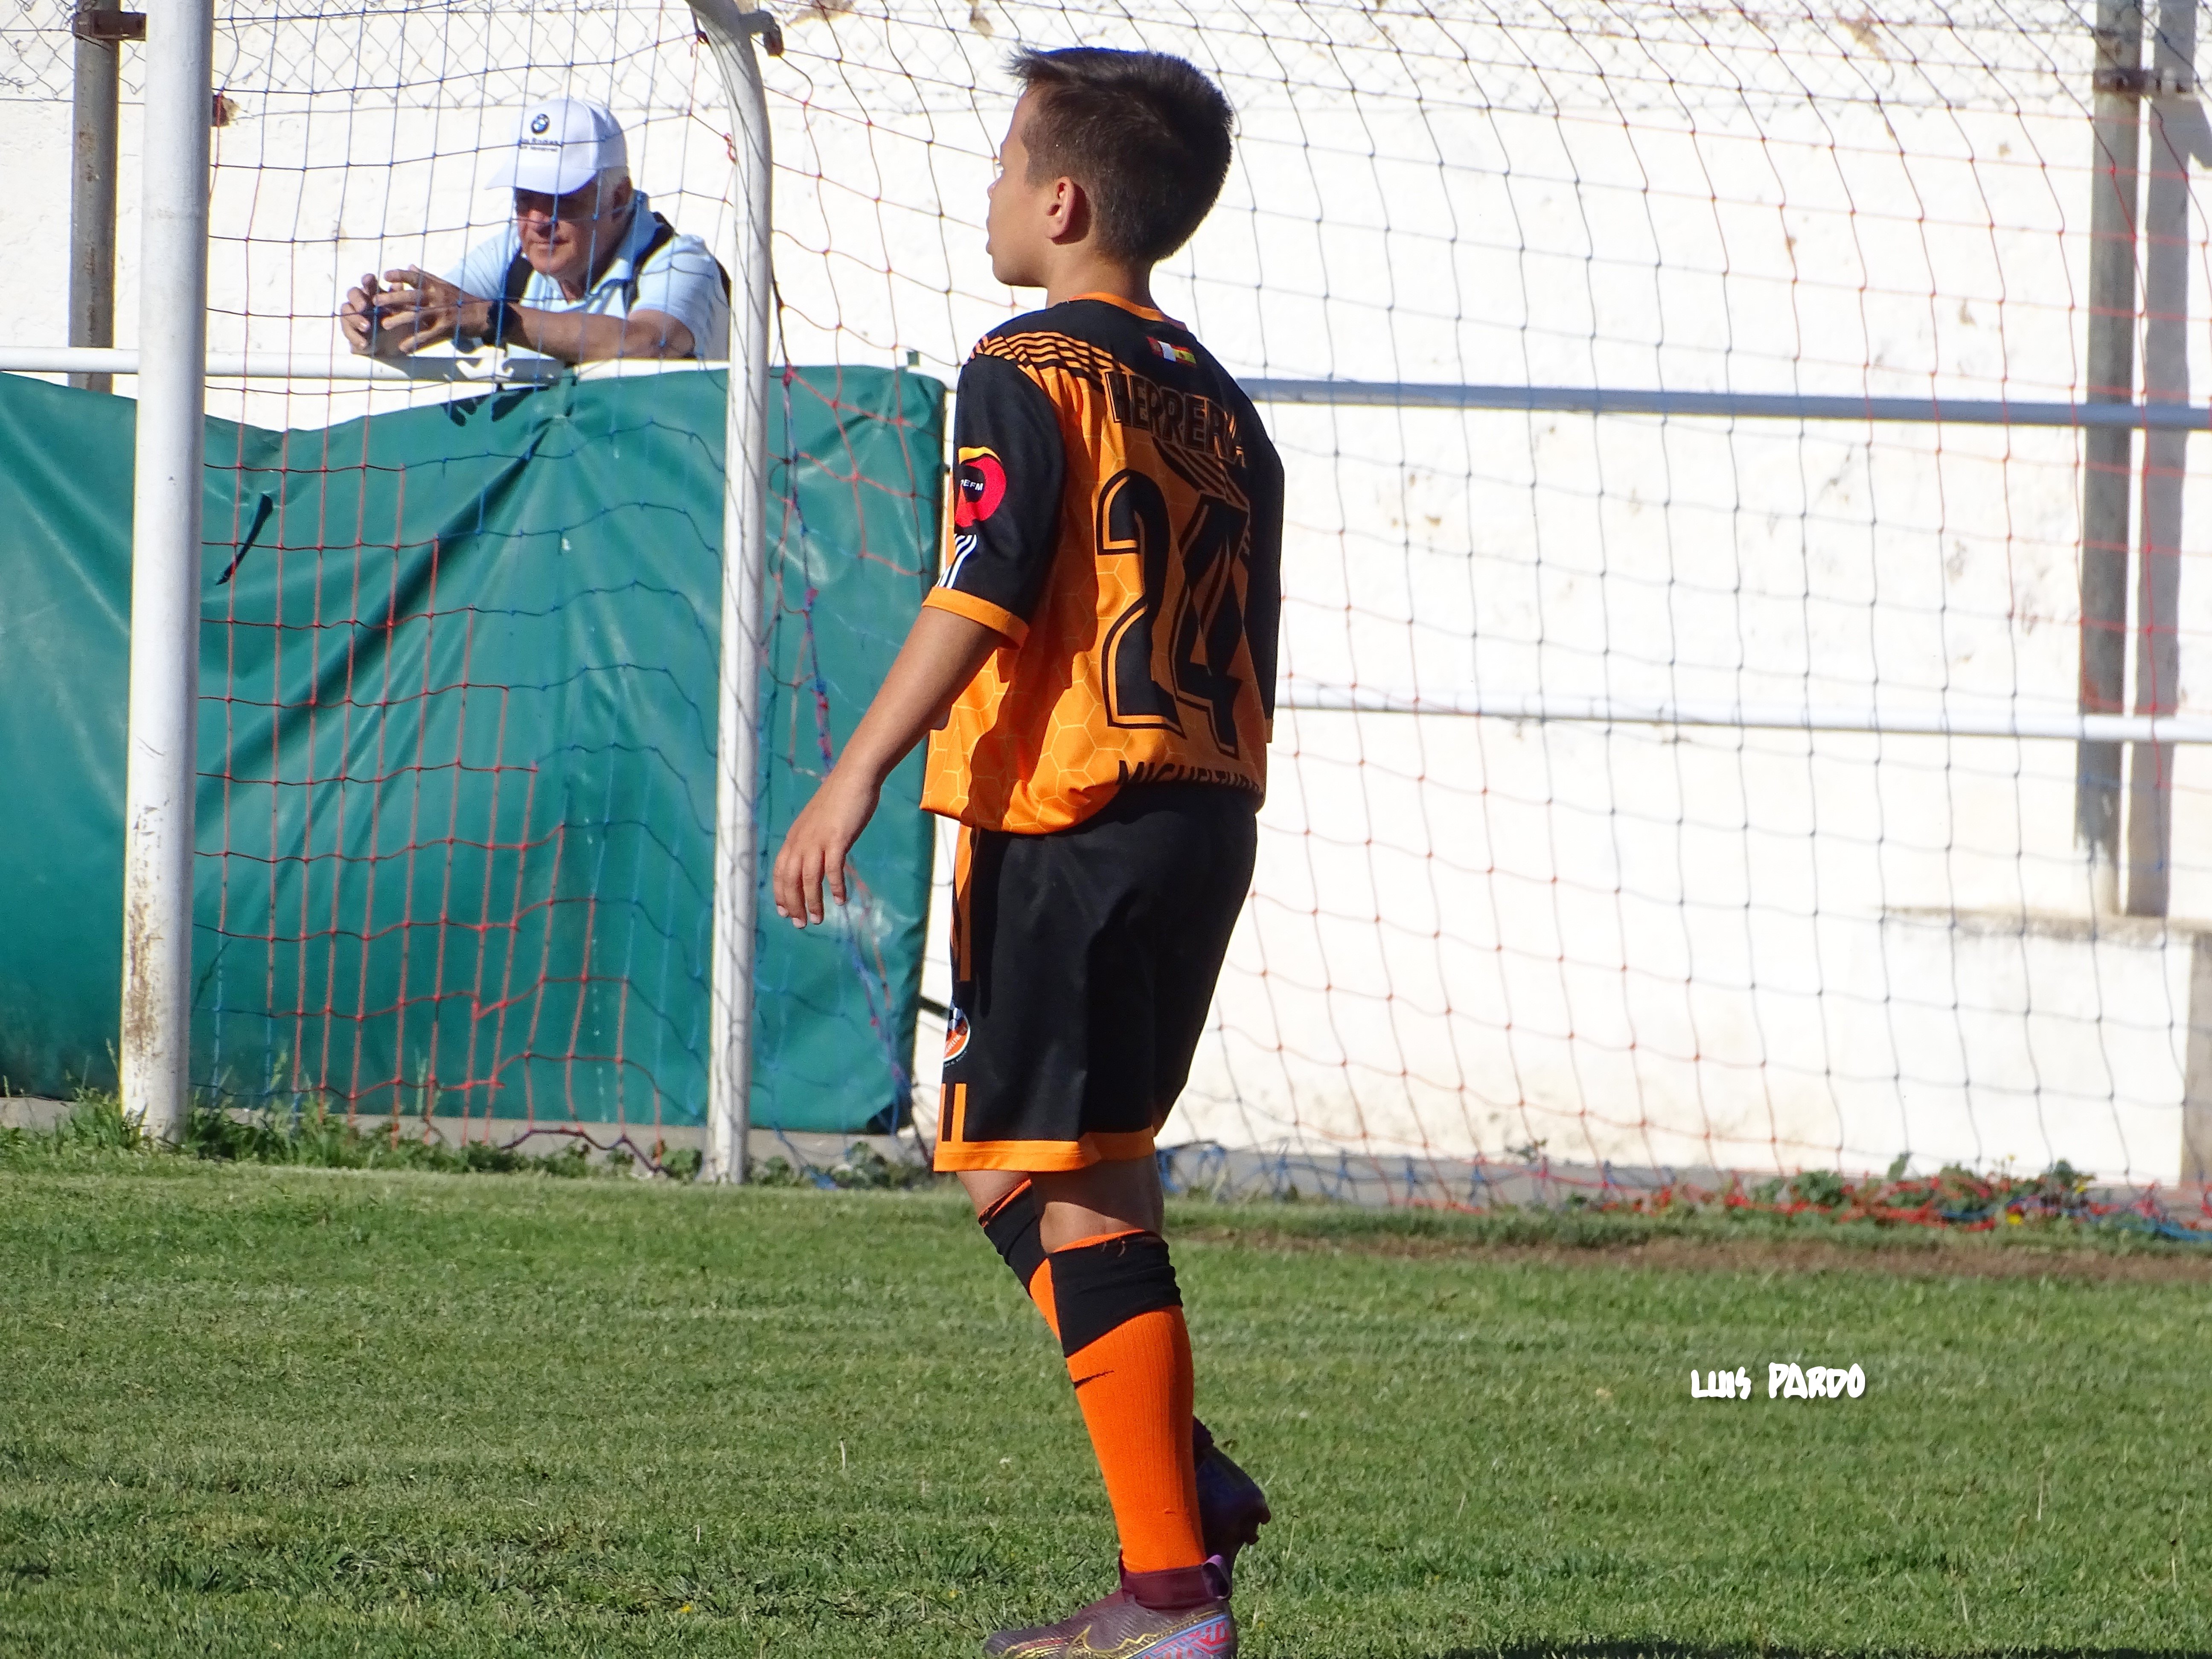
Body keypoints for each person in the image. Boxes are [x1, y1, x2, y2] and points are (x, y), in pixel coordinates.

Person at [772, 46, 1282, 1659]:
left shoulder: (1029, 361)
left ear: (1062, 204)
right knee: (1004, 1154)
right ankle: (1180, 1472)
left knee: (1087, 1190)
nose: (989, 192)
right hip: (1201, 810)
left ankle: (1169, 1599)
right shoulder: (1226, 407)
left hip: (1074, 812)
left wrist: (855, 769)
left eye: (1003, 166)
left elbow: (987, 578)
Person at [339, 96, 728, 364]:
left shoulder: (683, 261)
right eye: (525, 199)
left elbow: (651, 343)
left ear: (618, 198)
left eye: (562, 199)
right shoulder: (510, 254)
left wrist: (496, 319)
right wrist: (376, 326)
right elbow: (435, 317)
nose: (539, 222)